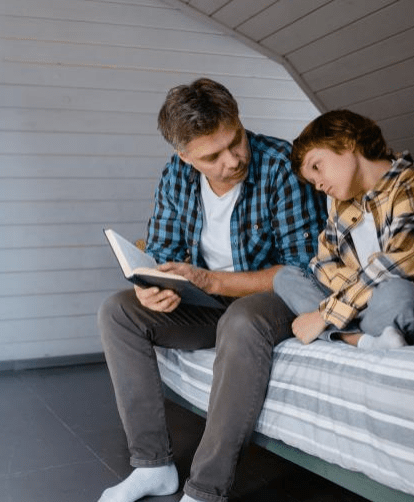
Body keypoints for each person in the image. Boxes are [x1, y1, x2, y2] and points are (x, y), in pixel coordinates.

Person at [97, 78, 327, 502]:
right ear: (185, 156)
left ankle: (206, 489)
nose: (233, 159)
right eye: (213, 155)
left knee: (240, 321)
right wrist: (153, 288)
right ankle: (152, 466)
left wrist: (214, 281)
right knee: (118, 311)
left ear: (239, 121)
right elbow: (163, 252)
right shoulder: (176, 175)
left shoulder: (280, 165)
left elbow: (304, 270)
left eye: (235, 141)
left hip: (273, 296)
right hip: (204, 300)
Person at [273, 109, 414, 349]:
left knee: (394, 292)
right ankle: (357, 339)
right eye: (313, 183)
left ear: (346, 142)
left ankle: (342, 334)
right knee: (285, 277)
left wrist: (325, 314)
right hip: (366, 306)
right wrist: (358, 293)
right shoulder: (341, 205)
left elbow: (397, 264)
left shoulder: (413, 184)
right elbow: (321, 264)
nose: (320, 185)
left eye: (317, 167)